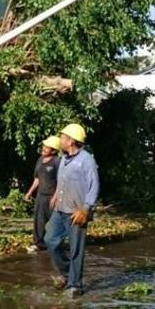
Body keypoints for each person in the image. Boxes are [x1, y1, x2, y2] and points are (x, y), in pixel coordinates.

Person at [45, 123, 99, 299]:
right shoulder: (63, 159)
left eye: (63, 138)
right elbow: (62, 181)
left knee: (76, 249)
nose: (60, 140)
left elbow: (94, 185)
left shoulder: (86, 160)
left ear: (71, 141)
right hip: (60, 209)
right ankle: (68, 273)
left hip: (77, 213)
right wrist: (55, 197)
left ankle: (75, 285)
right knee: (50, 240)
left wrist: (86, 208)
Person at [24, 135, 61, 254]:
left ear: (53, 151)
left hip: (52, 196)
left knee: (53, 222)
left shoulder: (57, 162)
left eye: (47, 147)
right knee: (39, 221)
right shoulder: (40, 160)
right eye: (44, 146)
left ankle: (55, 244)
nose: (44, 148)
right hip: (41, 195)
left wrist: (55, 197)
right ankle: (39, 244)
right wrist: (29, 192)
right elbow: (37, 179)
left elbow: (61, 181)